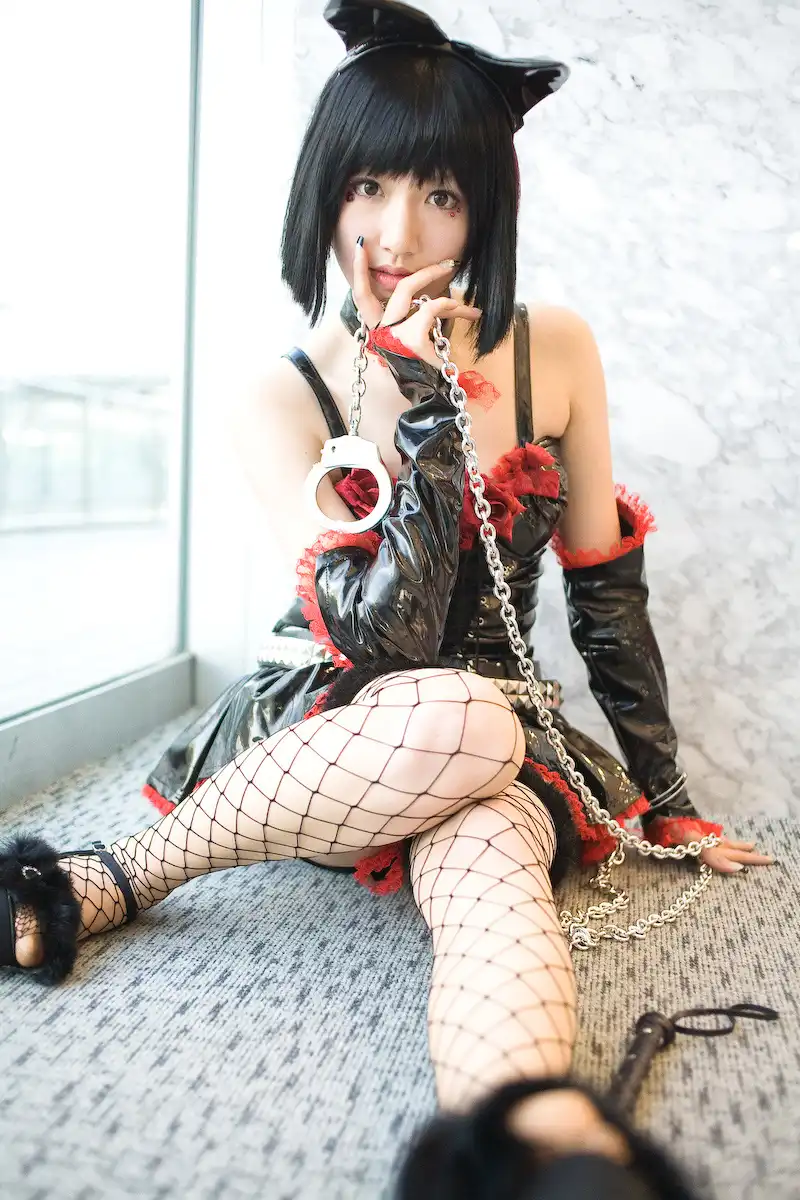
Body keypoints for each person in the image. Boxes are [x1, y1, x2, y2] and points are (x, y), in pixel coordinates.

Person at [0, 2, 776, 1196]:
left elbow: (604, 595)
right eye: (367, 185)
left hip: (499, 733)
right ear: (323, 189)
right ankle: (125, 871)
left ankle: (529, 1147)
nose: (397, 233)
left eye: (441, 195)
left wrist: (666, 803)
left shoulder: (555, 348)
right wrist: (425, 413)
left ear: (485, 211)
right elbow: (380, 639)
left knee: (494, 859)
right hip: (337, 725)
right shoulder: (278, 393)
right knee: (455, 712)